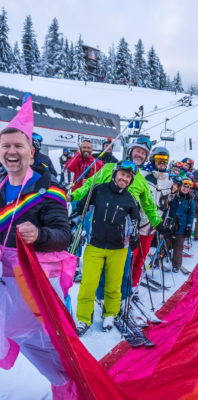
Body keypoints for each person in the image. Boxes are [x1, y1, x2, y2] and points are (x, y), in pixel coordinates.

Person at [0, 95, 76, 397]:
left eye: (18, 146)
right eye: (6, 146)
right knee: (13, 333)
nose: (11, 152)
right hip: (5, 285)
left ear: (31, 152)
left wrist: (39, 235)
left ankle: (69, 388)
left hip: (34, 283)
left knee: (50, 344)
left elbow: (63, 235)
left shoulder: (47, 190)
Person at [70, 137, 162, 301]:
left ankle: (122, 298)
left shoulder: (141, 180)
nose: (139, 155)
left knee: (124, 266)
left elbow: (149, 205)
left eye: (143, 153)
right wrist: (72, 195)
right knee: (102, 266)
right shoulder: (109, 169)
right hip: (101, 225)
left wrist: (159, 224)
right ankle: (101, 297)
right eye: (137, 151)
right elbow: (89, 185)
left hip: (124, 231)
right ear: (130, 151)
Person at [75, 161, 140, 335]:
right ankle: (83, 318)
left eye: (128, 177)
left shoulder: (131, 199)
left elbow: (135, 223)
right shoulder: (98, 190)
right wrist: (73, 217)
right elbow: (81, 207)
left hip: (118, 249)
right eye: (122, 174)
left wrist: (134, 237)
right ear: (115, 174)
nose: (124, 179)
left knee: (113, 285)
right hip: (95, 246)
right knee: (88, 285)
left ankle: (110, 313)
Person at [163, 177, 195, 274]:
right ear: (181, 186)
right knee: (165, 244)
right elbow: (166, 207)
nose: (186, 188)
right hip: (170, 224)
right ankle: (157, 261)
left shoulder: (190, 201)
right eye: (184, 186)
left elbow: (191, 215)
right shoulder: (174, 197)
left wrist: (189, 226)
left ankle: (176, 265)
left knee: (178, 247)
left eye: (188, 187)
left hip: (182, 227)